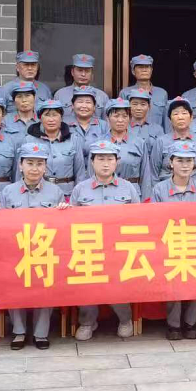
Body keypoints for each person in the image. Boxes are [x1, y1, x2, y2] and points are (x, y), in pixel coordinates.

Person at [0, 141, 69, 350]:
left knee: (45, 289)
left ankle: (41, 333)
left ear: (45, 167)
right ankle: (19, 332)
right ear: (20, 165)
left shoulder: (55, 191)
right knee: (14, 289)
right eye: (29, 163)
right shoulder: (8, 191)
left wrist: (65, 211)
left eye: (40, 164)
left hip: (44, 249)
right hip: (16, 250)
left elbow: (63, 226)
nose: (34, 168)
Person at [70, 140, 139, 340]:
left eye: (110, 159)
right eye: (100, 159)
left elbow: (139, 219)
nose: (106, 164)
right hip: (88, 249)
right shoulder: (80, 189)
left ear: (117, 162)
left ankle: (125, 319)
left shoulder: (128, 188)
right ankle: (87, 322)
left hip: (119, 250)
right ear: (92, 162)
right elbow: (70, 222)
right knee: (86, 284)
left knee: (118, 285)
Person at [151, 141, 196, 340]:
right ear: (171, 163)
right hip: (169, 244)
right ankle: (173, 324)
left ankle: (191, 321)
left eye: (189, 161)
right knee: (173, 280)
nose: (185, 165)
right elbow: (154, 220)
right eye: (180, 160)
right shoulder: (159, 189)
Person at [148, 97, 196, 193]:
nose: (180, 117)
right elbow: (153, 173)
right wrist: (159, 193)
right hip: (167, 194)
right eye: (175, 114)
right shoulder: (161, 142)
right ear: (170, 119)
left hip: (195, 194)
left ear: (191, 117)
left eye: (184, 113)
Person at [25, 100, 85, 200]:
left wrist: (78, 196)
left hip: (67, 194)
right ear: (40, 118)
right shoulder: (29, 140)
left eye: (55, 115)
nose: (51, 119)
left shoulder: (74, 139)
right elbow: (22, 172)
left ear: (61, 117)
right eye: (47, 115)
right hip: (38, 194)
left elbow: (80, 172)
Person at [89, 98, 149, 191]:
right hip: (105, 191)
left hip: (132, 191)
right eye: (116, 116)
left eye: (125, 116)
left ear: (130, 118)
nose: (120, 120)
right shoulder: (98, 143)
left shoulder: (139, 142)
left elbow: (146, 174)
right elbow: (91, 173)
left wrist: (146, 197)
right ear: (108, 118)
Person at [118, 55, 168, 132]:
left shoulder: (162, 93)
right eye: (140, 67)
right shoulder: (125, 93)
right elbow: (120, 118)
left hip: (156, 136)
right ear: (133, 71)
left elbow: (166, 121)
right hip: (132, 135)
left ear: (151, 70)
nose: (144, 70)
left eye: (147, 67)